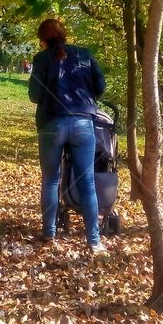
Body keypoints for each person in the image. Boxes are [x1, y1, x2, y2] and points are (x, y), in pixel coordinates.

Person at [28, 18, 107, 255]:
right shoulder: (84, 55)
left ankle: (49, 234)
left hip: (52, 123)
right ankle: (94, 241)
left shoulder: (41, 60)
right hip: (83, 124)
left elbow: (34, 95)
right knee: (87, 182)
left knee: (51, 180)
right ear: (65, 35)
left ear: (42, 40)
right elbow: (100, 86)